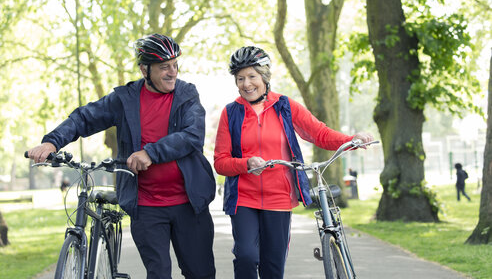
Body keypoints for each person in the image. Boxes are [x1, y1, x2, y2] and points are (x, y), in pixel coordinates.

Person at [27, 34, 216, 279]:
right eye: (164, 67)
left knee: (200, 273)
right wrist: (52, 141)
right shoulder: (126, 99)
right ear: (144, 70)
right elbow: (85, 117)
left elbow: (192, 136)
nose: (172, 72)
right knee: (158, 274)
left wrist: (151, 152)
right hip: (147, 206)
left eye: (175, 65)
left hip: (189, 204)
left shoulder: (187, 95)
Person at [213, 46, 374, 278]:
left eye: (251, 76)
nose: (246, 84)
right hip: (243, 199)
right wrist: (246, 164)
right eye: (240, 78)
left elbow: (319, 133)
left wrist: (351, 139)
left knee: (273, 266)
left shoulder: (285, 106)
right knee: (246, 256)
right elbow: (221, 162)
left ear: (264, 76)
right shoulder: (231, 113)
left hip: (279, 197)